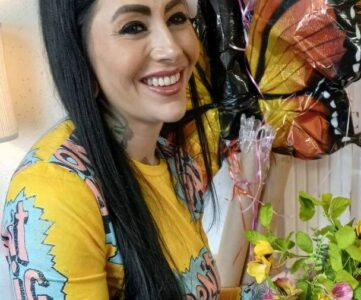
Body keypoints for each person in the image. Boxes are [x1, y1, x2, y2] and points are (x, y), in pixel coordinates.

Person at [1, 0, 246, 298]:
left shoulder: (177, 164)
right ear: (79, 53)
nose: (171, 49)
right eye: (133, 27)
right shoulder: (53, 195)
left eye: (177, 17)